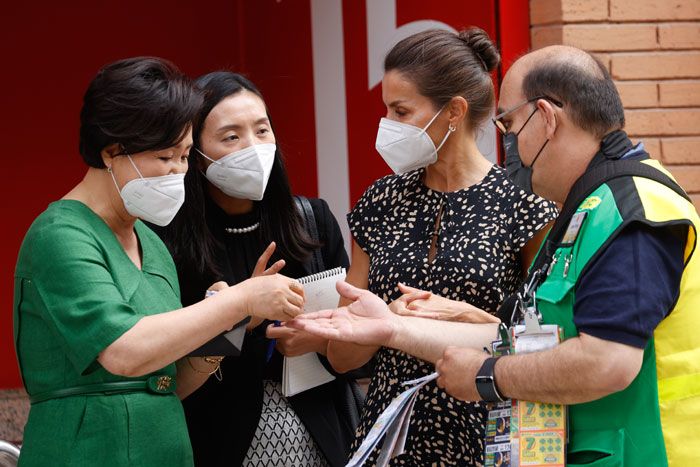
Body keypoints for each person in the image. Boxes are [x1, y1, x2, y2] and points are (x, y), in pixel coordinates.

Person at [294, 45, 700, 465]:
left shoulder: (631, 208)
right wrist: (391, 329)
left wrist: (487, 376)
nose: (507, 144)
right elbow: (540, 342)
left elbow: (607, 362)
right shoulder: (591, 208)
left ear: (545, 117)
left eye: (509, 124)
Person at [13, 57, 304, 467]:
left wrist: (223, 333)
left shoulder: (149, 240)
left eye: (185, 157)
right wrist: (235, 302)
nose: (178, 172)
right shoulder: (59, 236)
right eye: (165, 157)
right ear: (112, 151)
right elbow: (125, 352)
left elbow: (168, 382)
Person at [325, 28, 557, 465]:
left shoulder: (523, 205)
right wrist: (384, 318)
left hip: (489, 433)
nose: (387, 125)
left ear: (453, 111)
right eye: (386, 110)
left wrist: (470, 318)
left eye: (401, 111)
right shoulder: (380, 201)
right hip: (391, 435)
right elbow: (341, 356)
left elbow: (546, 342)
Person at [155, 71, 360, 467]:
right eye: (231, 137)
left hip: (321, 438)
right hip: (215, 440)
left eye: (262, 130)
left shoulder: (311, 221)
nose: (253, 147)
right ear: (195, 155)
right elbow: (166, 371)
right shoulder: (166, 241)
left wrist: (319, 340)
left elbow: (360, 347)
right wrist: (241, 314)